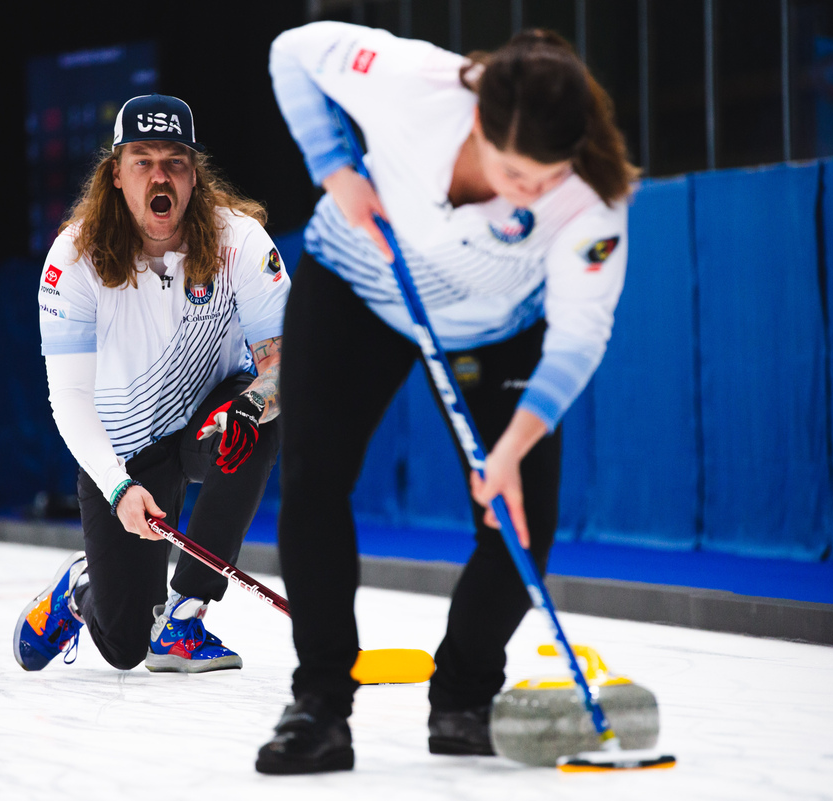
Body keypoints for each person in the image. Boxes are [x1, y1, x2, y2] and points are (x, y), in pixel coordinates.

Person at [256, 22, 636, 774]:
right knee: (313, 476)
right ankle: (321, 705)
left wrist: (512, 448)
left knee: (521, 521)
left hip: (496, 326)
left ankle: (463, 694)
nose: (523, 193)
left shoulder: (594, 201)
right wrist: (335, 168)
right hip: (358, 279)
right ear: (478, 120)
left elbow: (579, 337)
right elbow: (292, 51)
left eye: (543, 177)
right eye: (512, 170)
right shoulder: (416, 84)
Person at [14, 94, 289, 676]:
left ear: (194, 175)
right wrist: (116, 488)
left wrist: (253, 405)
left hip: (205, 421)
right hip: (124, 448)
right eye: (142, 160)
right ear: (116, 174)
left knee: (262, 424)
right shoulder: (75, 256)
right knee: (122, 646)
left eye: (175, 161)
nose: (159, 176)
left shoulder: (239, 242)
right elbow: (67, 400)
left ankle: (186, 616)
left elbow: (283, 366)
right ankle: (81, 584)